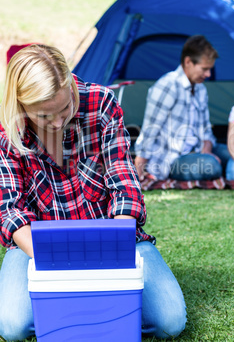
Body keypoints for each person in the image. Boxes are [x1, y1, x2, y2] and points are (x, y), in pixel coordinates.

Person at [0, 44, 186, 341]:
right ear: (22, 106)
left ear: (69, 84)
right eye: (45, 116)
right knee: (13, 327)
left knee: (170, 321)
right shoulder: (8, 129)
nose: (59, 122)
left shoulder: (100, 103)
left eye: (65, 108)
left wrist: (115, 249)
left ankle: (76, 313)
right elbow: (10, 210)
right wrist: (60, 266)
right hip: (38, 247)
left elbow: (124, 181)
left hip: (111, 236)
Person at [134, 35, 229, 182]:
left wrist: (207, 151)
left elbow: (206, 131)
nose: (208, 75)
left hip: (197, 150)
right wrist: (139, 167)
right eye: (204, 69)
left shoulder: (200, 89)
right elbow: (150, 129)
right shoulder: (167, 85)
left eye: (210, 69)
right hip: (173, 159)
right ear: (188, 62)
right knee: (212, 166)